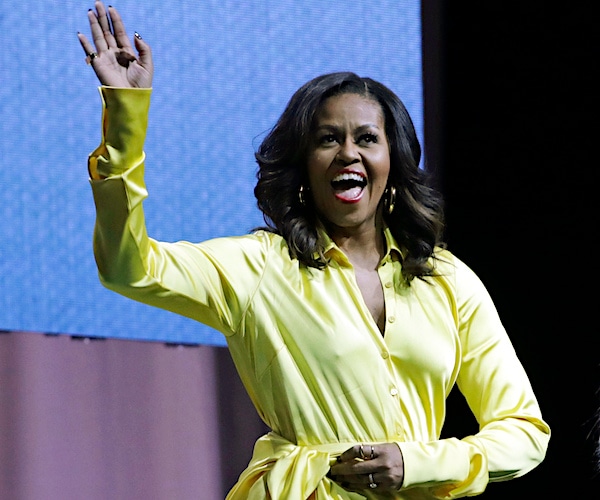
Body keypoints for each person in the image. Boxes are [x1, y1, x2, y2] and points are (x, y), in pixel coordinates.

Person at [77, 2, 550, 498]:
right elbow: (128, 267)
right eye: (328, 139)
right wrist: (125, 124)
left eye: (367, 138)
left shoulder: (448, 280)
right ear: (303, 167)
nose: (349, 153)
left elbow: (523, 433)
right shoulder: (259, 266)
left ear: (394, 163)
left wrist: (414, 462)